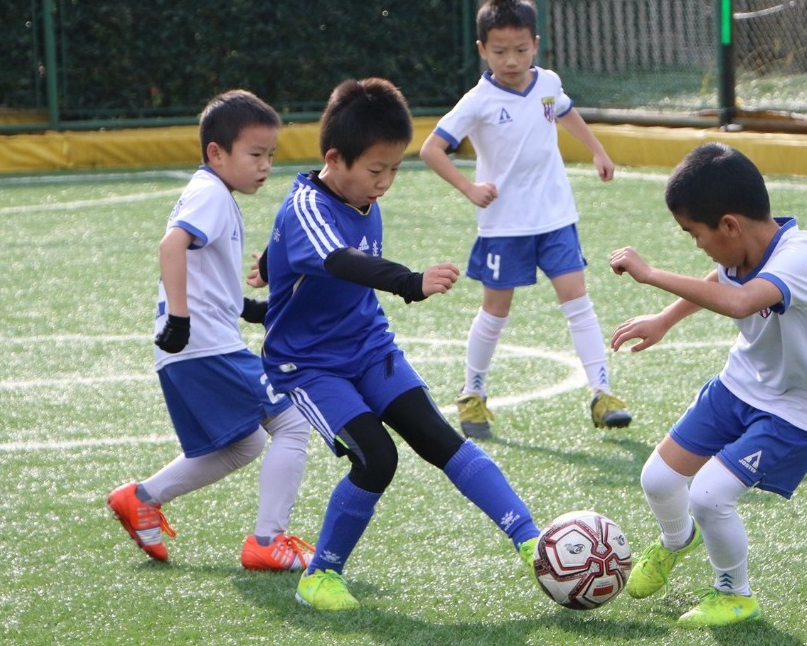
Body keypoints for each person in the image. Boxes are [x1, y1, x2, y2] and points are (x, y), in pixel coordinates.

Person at [263, 77, 540, 611]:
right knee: (377, 458)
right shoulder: (306, 205)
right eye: (376, 170)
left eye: (394, 169)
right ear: (335, 158)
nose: (386, 182)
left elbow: (294, 267)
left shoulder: (361, 195)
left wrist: (267, 280)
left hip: (369, 348)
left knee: (438, 439)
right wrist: (411, 282)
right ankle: (320, 576)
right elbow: (339, 260)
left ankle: (530, 539)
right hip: (309, 367)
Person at [609, 143, 807, 627]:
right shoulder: (744, 244)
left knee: (708, 495)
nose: (696, 243)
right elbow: (721, 274)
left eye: (694, 233)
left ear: (729, 225)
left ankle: (734, 594)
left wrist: (652, 275)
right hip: (742, 384)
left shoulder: (799, 256)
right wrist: (665, 320)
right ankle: (678, 541)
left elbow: (741, 302)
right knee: (658, 479)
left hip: (799, 409)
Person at [107, 89, 314, 572]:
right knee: (292, 421)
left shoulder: (212, 193)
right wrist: (180, 319)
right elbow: (171, 247)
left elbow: (205, 273)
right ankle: (268, 541)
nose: (265, 166)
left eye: (271, 156)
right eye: (255, 155)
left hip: (193, 347)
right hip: (202, 344)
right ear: (217, 153)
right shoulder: (211, 195)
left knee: (245, 442)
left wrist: (247, 308)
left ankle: (141, 498)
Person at [419, 0, 629, 439]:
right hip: (504, 226)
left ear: (535, 44)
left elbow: (566, 113)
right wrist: (469, 188)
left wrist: (598, 152)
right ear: (482, 50)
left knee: (578, 302)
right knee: (495, 311)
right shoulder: (477, 100)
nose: (510, 60)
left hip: (556, 217)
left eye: (519, 50)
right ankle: (473, 392)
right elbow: (431, 149)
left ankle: (602, 393)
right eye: (499, 51)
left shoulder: (548, 83)